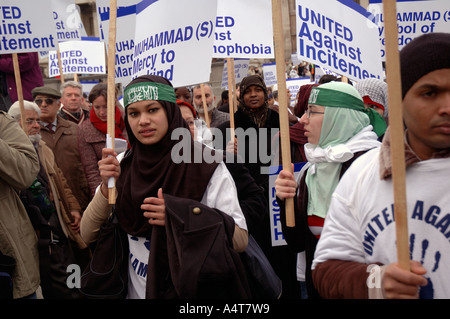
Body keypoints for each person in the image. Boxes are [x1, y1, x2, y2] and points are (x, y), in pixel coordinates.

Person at [80, 75, 249, 299]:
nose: (143, 121)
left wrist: (180, 214)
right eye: (134, 113)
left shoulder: (206, 164)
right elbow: (86, 233)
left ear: (170, 111)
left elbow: (239, 240)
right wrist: (106, 186)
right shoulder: (122, 163)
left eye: (152, 110)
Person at [311, 32, 450, 299]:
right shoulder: (364, 173)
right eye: (430, 92)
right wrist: (377, 282)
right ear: (399, 100)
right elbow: (326, 269)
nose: (446, 106)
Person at [275, 81, 383, 299]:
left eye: (312, 112)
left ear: (339, 117)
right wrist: (285, 199)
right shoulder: (310, 169)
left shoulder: (377, 167)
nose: (303, 119)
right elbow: (297, 242)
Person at [216, 75, 299, 298]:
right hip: (247, 204)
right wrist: (226, 152)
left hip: (277, 199)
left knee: (282, 259)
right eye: (248, 91)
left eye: (258, 90)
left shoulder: (281, 121)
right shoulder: (228, 127)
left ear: (265, 92)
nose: (253, 95)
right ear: (241, 95)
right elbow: (216, 168)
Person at [8, 100, 89, 299]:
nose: (37, 125)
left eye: (37, 120)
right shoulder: (10, 155)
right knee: (48, 279)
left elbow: (61, 180)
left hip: (57, 223)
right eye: (30, 121)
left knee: (71, 268)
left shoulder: (42, 147)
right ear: (14, 125)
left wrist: (73, 208)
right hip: (32, 229)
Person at [0, 108, 40, 299]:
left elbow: (27, 173)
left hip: (6, 254)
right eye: (29, 120)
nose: (35, 124)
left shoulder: (2, 122)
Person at [32, 86, 90, 212]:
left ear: (58, 105)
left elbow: (87, 163)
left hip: (81, 196)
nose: (43, 105)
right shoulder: (31, 134)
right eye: (38, 101)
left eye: (48, 101)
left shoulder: (75, 129)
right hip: (52, 201)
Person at [78, 83, 128, 198]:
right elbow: (91, 171)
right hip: (107, 188)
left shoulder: (127, 119)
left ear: (114, 102)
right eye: (97, 107)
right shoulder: (84, 129)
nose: (101, 112)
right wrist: (101, 197)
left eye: (106, 107)